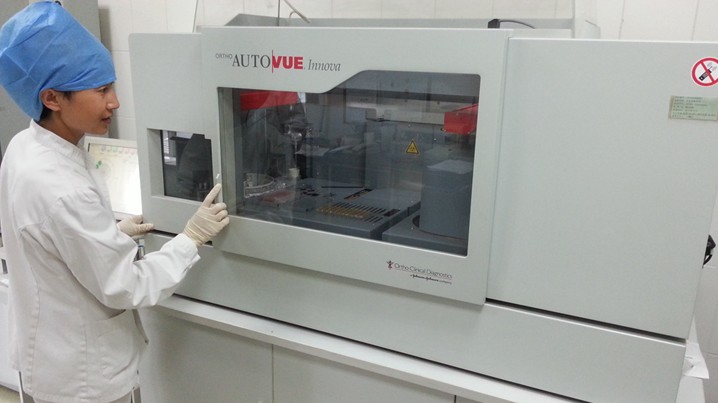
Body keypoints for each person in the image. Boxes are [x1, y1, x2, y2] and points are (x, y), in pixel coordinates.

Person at [0, 2, 229, 402]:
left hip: (50, 360)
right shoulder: (61, 187)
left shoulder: (25, 147)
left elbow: (54, 242)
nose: (115, 102)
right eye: (101, 90)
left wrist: (109, 234)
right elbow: (126, 286)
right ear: (52, 98)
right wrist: (190, 239)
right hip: (84, 378)